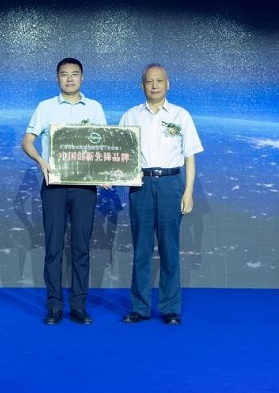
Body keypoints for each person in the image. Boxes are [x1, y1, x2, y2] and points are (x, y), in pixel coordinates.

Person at [22, 57, 107, 325]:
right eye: (64, 74)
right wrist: (41, 160)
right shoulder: (45, 107)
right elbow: (27, 141)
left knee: (81, 247)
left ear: (82, 77)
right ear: (57, 78)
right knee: (54, 247)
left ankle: (79, 305)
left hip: (85, 187)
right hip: (54, 185)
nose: (69, 78)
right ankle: (54, 306)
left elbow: (104, 145)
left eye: (74, 74)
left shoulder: (94, 108)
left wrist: (106, 174)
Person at [119, 64, 203, 325]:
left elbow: (189, 157)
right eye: (149, 81)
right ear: (142, 85)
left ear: (168, 84)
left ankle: (170, 308)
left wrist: (188, 192)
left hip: (170, 184)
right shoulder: (130, 116)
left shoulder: (181, 115)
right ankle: (140, 308)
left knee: (169, 248)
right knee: (141, 249)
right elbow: (120, 154)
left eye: (159, 81)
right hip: (141, 185)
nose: (154, 85)